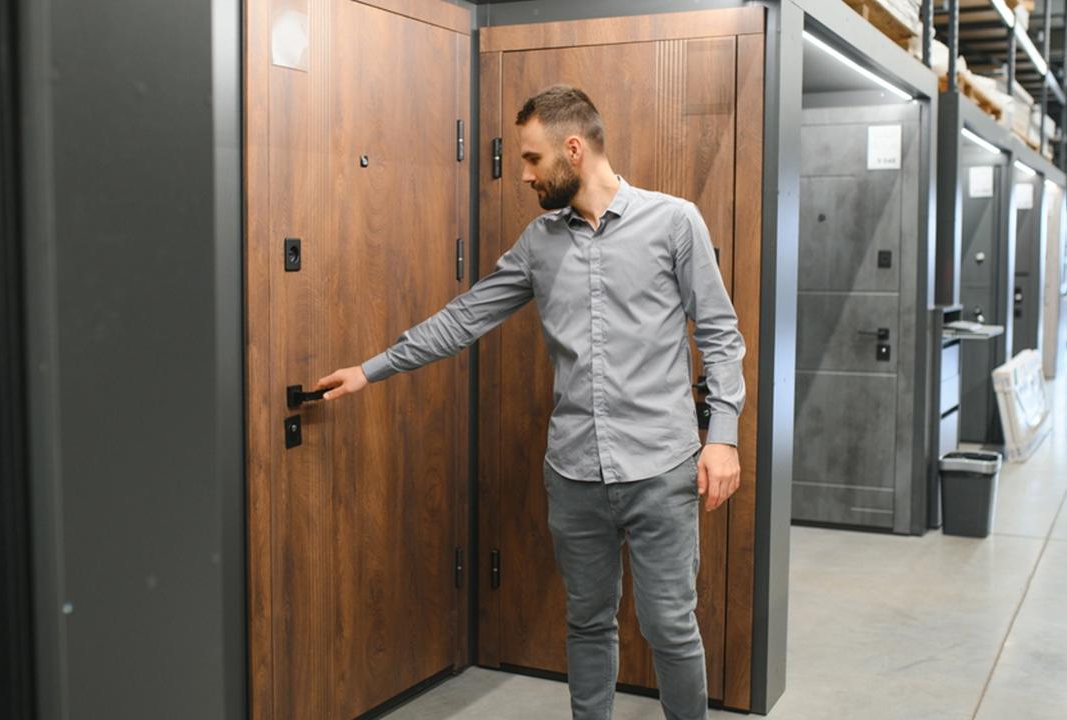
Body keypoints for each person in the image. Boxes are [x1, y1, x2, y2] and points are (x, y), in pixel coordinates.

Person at [315, 84, 745, 720]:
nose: (523, 174)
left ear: (574, 149)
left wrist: (723, 435)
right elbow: (466, 316)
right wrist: (370, 369)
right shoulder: (539, 243)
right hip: (574, 473)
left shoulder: (675, 221)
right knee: (588, 624)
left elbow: (719, 332)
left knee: (670, 628)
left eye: (532, 159)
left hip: (662, 468)